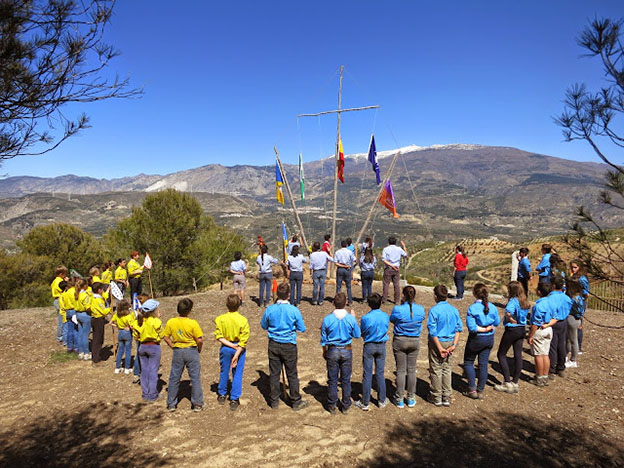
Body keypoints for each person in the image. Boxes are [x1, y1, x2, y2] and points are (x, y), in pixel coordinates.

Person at [260, 282, 309, 410]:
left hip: (274, 344)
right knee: (292, 373)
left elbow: (264, 325)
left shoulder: (270, 309)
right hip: (289, 345)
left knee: (274, 373)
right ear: (288, 294)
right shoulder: (294, 310)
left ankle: (274, 401)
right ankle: (295, 401)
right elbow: (302, 328)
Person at [321, 292, 361, 414]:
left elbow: (323, 338)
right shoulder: (350, 319)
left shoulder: (327, 319)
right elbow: (357, 335)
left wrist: (324, 352)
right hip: (346, 349)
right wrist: (354, 319)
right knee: (345, 379)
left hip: (332, 349)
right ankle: (345, 404)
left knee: (332, 379)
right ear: (345, 303)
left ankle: (332, 404)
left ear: (333, 303)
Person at [163, 298, 204, 412]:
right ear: (189, 311)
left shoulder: (171, 322)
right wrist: (199, 349)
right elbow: (199, 340)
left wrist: (173, 346)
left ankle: (171, 404)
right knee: (195, 378)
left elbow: (165, 337)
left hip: (178, 351)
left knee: (174, 377)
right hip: (191, 350)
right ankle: (197, 404)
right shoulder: (193, 323)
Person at [389, 285, 425, 408]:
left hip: (400, 340)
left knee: (400, 370)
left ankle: (399, 398)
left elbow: (392, 320)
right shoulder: (420, 309)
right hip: (414, 340)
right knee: (411, 370)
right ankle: (411, 398)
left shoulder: (397, 309)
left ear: (403, 295)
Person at [426, 284, 462, 407]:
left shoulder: (434, 310)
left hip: (438, 341)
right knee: (446, 368)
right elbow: (459, 329)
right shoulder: (454, 310)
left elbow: (432, 331)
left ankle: (436, 396)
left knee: (436, 368)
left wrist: (439, 347)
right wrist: (454, 345)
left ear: (435, 296)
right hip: (450, 341)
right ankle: (446, 396)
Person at [463, 283, 500, 399]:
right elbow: (497, 323)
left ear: (474, 294)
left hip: (477, 338)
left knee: (469, 362)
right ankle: (480, 390)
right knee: (483, 364)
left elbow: (472, 328)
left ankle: (472, 389)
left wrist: (483, 329)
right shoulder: (493, 307)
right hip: (489, 338)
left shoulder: (473, 308)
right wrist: (488, 328)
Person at [214, 294, 249, 411]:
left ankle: (222, 394)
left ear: (226, 304)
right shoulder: (243, 320)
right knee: (237, 372)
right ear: (239, 305)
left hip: (226, 347)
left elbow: (219, 337)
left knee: (224, 371)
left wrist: (230, 345)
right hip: (239, 347)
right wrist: (237, 351)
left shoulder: (220, 319)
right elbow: (244, 340)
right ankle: (234, 398)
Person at [494, 281, 530, 394]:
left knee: (501, 354)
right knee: (518, 354)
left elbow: (508, 312)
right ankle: (515, 382)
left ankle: (507, 382)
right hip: (522, 329)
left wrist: (510, 319)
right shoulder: (524, 301)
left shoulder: (513, 301)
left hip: (512, 329)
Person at [354, 293, 389, 411]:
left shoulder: (365, 318)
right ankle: (382, 400)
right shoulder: (385, 316)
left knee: (367, 374)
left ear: (369, 304)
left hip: (369, 345)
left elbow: (361, 332)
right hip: (381, 346)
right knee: (380, 373)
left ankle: (365, 402)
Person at [134, 299, 164, 402]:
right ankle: (152, 395)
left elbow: (136, 336)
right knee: (153, 371)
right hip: (154, 347)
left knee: (144, 371)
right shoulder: (156, 322)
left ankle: (145, 394)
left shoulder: (138, 321)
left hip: (142, 347)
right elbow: (162, 335)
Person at [528, 282, 557, 387]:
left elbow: (535, 323)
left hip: (539, 330)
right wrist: (548, 324)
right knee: (545, 354)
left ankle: (539, 377)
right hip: (549, 328)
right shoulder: (552, 303)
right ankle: (545, 376)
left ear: (539, 292)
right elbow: (556, 317)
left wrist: (531, 335)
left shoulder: (538, 306)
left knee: (538, 355)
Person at [547, 276, 572, 379]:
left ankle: (551, 368)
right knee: (561, 344)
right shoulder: (566, 298)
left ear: (553, 285)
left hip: (553, 322)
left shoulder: (550, 298)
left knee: (553, 345)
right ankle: (561, 367)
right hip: (564, 322)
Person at [110, 299, 135, 374]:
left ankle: (117, 367)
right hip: (127, 333)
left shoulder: (116, 315)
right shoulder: (129, 316)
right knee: (128, 351)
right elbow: (132, 326)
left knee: (120, 350)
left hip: (120, 332)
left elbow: (110, 323)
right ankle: (127, 368)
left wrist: (118, 327)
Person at [570, 260, 589, 353]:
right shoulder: (573, 276)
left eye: (575, 267)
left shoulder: (582, 279)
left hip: (580, 301)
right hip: (573, 301)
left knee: (579, 324)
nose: (573, 269)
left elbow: (586, 292)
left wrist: (581, 299)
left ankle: (579, 347)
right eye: (572, 267)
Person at [382, 237, 408, 305]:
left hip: (388, 268)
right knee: (396, 285)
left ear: (388, 242)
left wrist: (391, 265)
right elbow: (406, 255)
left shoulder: (385, 249)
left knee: (386, 284)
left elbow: (384, 260)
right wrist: (404, 246)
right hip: (396, 269)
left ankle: (384, 299)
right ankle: (397, 300)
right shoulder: (399, 249)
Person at [565, 280, 585, 368]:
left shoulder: (571, 299)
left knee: (573, 340)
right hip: (577, 319)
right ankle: (566, 356)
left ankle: (573, 360)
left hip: (571, 319)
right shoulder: (579, 297)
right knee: (570, 339)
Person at [90, 282, 111, 365]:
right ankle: (96, 358)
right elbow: (103, 311)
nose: (103, 290)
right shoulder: (98, 300)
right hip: (98, 319)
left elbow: (104, 297)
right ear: (99, 290)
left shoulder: (94, 296)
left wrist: (108, 290)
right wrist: (109, 308)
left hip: (95, 319)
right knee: (98, 339)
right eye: (102, 289)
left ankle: (95, 355)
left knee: (96, 337)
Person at [132, 293, 150, 384]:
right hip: (146, 339)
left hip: (139, 338)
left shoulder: (138, 313)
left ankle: (136, 374)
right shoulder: (147, 314)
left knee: (138, 356)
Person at [309, 241, 335, 305]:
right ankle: (320, 301)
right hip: (323, 271)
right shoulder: (324, 253)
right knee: (322, 286)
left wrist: (310, 273)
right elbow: (331, 259)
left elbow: (311, 265)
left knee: (315, 286)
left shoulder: (312, 255)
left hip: (316, 271)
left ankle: (314, 300)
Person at [74, 279, 92, 361]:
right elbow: (87, 307)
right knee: (85, 335)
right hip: (85, 315)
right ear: (84, 286)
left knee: (80, 334)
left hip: (78, 314)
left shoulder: (76, 294)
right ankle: (86, 353)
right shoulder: (85, 295)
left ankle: (81, 352)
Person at [334, 240, 356, 306]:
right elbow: (354, 260)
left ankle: (337, 300)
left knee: (338, 286)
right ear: (346, 245)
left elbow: (335, 262)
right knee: (348, 286)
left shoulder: (337, 252)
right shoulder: (349, 252)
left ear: (341, 245)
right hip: (347, 269)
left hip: (340, 268)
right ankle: (350, 301)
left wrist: (342, 265)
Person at [51, 266, 69, 344]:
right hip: (59, 300)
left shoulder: (55, 281)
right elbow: (64, 288)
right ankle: (60, 336)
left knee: (61, 319)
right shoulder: (59, 282)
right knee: (62, 320)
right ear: (61, 274)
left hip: (57, 300)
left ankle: (61, 335)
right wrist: (67, 282)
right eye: (65, 274)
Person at [61, 278, 78, 354]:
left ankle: (69, 346)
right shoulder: (75, 291)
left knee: (69, 330)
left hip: (68, 310)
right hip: (74, 310)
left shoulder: (65, 292)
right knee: (76, 330)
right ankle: (76, 347)